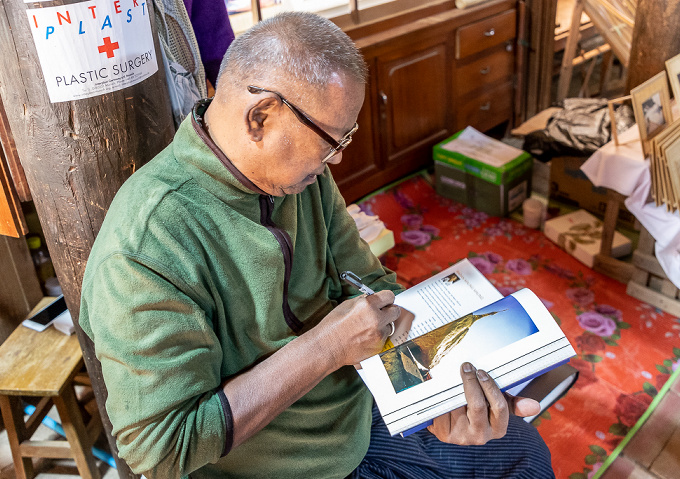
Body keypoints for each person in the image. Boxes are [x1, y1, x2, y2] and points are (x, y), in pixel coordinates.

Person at [80, 12, 554, 478]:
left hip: (363, 408)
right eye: (331, 139)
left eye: (345, 137)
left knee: (524, 453)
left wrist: (434, 400)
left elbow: (369, 285)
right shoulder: (146, 247)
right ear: (261, 116)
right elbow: (159, 448)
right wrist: (324, 349)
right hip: (290, 463)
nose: (339, 157)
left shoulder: (302, 178)